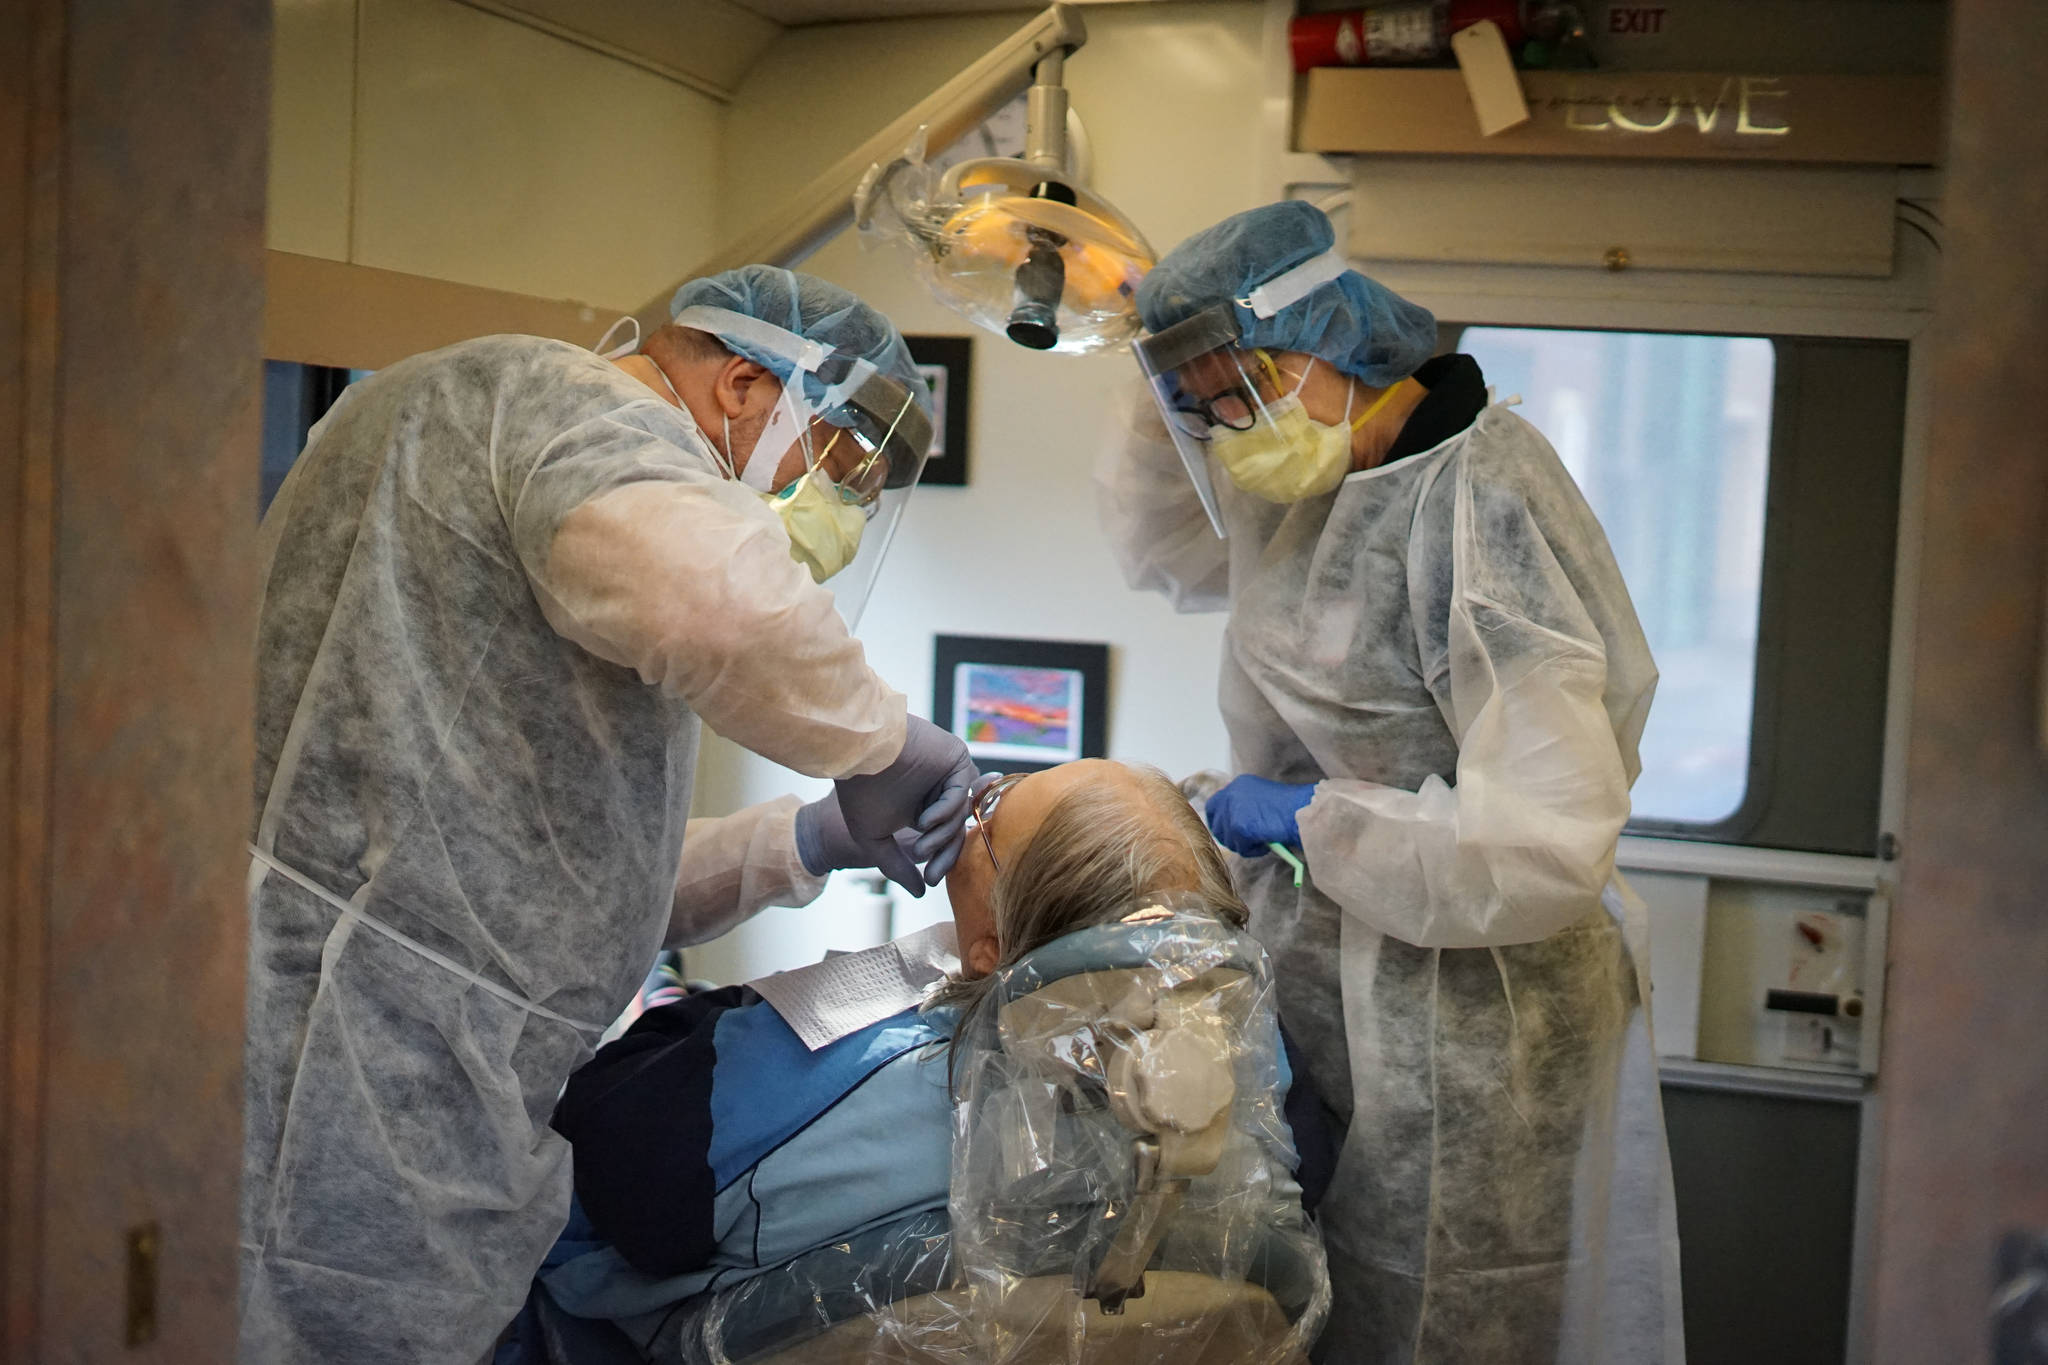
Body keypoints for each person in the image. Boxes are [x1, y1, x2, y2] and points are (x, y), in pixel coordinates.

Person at [242, 265, 979, 1365]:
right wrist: (883, 741)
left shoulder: (497, 449)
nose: (840, 517)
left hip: (411, 1052)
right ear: (740, 387)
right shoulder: (555, 410)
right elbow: (719, 605)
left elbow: (547, 883)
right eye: (836, 471)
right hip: (348, 1079)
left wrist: (809, 839)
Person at [1097, 200, 1683, 1364]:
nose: (1225, 429)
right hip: (1324, 960)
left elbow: (1545, 844)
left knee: (1445, 1309)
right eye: (1199, 404)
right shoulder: (1307, 478)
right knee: (1308, 1300)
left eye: (1242, 390)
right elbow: (1159, 545)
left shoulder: (1482, 500)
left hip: (1478, 1007)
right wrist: (1144, 358)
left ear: (1329, 337)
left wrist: (1312, 818)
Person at [525, 760, 1312, 1348]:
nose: (973, 808)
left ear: (989, 948)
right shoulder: (1257, 1090)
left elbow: (601, 1160)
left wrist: (702, 1014)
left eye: (992, 811)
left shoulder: (831, 1071)